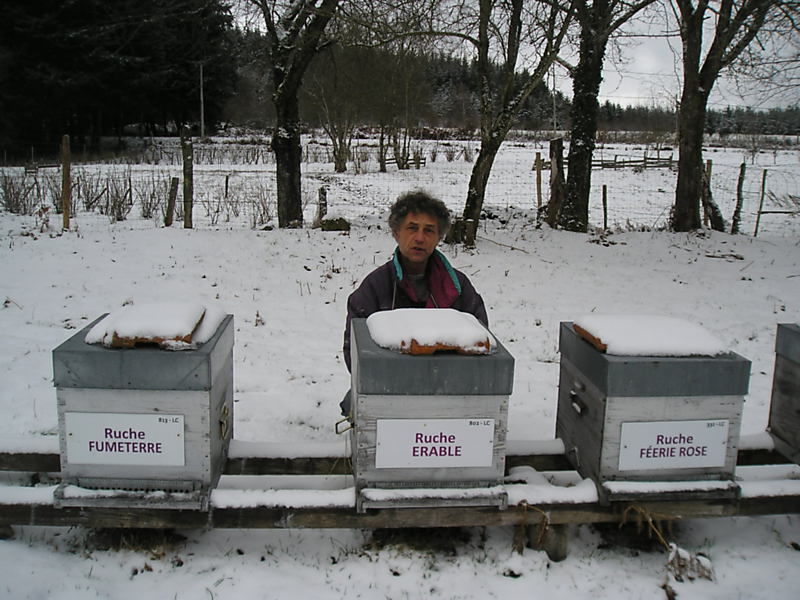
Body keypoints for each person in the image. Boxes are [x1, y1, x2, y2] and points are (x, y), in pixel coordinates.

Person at [340, 190, 488, 415]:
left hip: (450, 389)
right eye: (412, 228)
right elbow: (355, 352)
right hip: (389, 389)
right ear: (396, 233)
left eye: (429, 230)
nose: (420, 238)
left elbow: (480, 341)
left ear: (439, 237)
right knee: (354, 402)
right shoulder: (375, 286)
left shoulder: (458, 286)